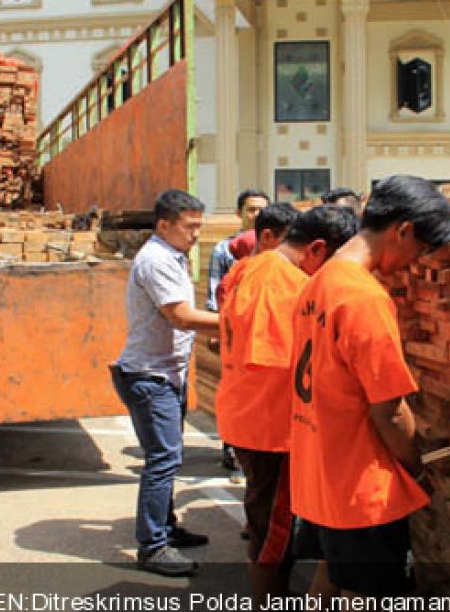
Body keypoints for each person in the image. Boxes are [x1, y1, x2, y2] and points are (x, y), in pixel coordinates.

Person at [289, 175, 450, 597]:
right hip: (362, 485)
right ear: (403, 229)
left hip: (320, 468)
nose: (415, 262)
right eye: (420, 249)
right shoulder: (364, 297)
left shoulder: (318, 283)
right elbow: (390, 410)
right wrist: (416, 467)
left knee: (331, 579)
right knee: (367, 594)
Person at [216, 205, 358, 603]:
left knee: (273, 533)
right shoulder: (280, 282)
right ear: (315, 250)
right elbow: (282, 363)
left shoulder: (254, 267)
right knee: (273, 540)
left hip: (253, 417)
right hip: (271, 428)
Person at [110, 189, 220, 577]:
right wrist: (242, 320)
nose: (195, 235)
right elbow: (182, 317)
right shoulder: (156, 260)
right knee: (163, 459)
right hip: (149, 375)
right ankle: (153, 546)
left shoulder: (171, 256)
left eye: (199, 227)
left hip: (163, 372)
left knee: (168, 457)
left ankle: (165, 528)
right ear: (164, 224)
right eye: (189, 227)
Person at [208, 189, 271, 479]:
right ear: (239, 213)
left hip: (264, 337)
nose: (255, 215)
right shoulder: (225, 250)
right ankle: (233, 453)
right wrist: (218, 331)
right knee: (235, 393)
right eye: (251, 210)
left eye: (261, 210)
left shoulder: (273, 248)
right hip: (236, 334)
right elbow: (215, 292)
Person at [217, 202, 301, 310]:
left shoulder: (234, 276)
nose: (296, 250)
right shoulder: (241, 279)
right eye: (289, 242)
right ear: (267, 236)